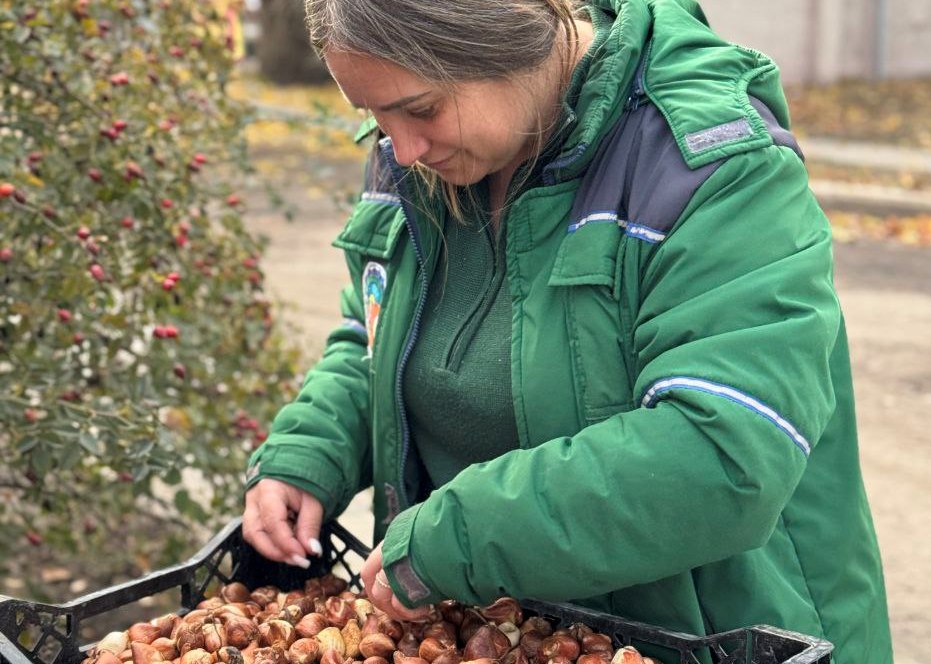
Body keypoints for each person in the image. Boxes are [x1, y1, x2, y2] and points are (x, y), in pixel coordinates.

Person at [242, 0, 893, 661]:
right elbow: (375, 335)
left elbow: (724, 454)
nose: (401, 148)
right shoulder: (420, 158)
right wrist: (310, 450)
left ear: (506, 40)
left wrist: (460, 538)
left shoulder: (713, 166)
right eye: (373, 116)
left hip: (712, 636)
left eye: (421, 109)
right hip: (509, 631)